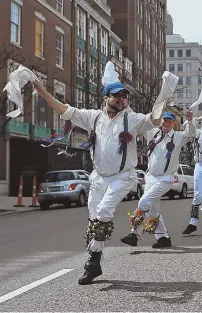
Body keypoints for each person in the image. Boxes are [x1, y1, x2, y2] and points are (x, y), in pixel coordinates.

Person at [33, 66, 162, 285]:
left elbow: (154, 120)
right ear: (106, 98)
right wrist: (43, 92)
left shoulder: (131, 119)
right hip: (98, 178)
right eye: (117, 95)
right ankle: (94, 263)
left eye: (124, 95)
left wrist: (163, 99)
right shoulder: (93, 118)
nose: (122, 98)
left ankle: (93, 262)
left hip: (123, 176)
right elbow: (64, 110)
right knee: (94, 219)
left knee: (103, 211)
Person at [120, 110, 195, 248]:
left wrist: (189, 121)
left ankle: (134, 234)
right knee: (153, 211)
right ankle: (163, 239)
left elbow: (191, 134)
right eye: (164, 120)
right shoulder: (154, 133)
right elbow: (143, 122)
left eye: (169, 121)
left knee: (144, 202)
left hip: (165, 179)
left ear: (174, 123)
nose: (166, 123)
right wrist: (128, 109)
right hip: (151, 177)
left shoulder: (178, 137)